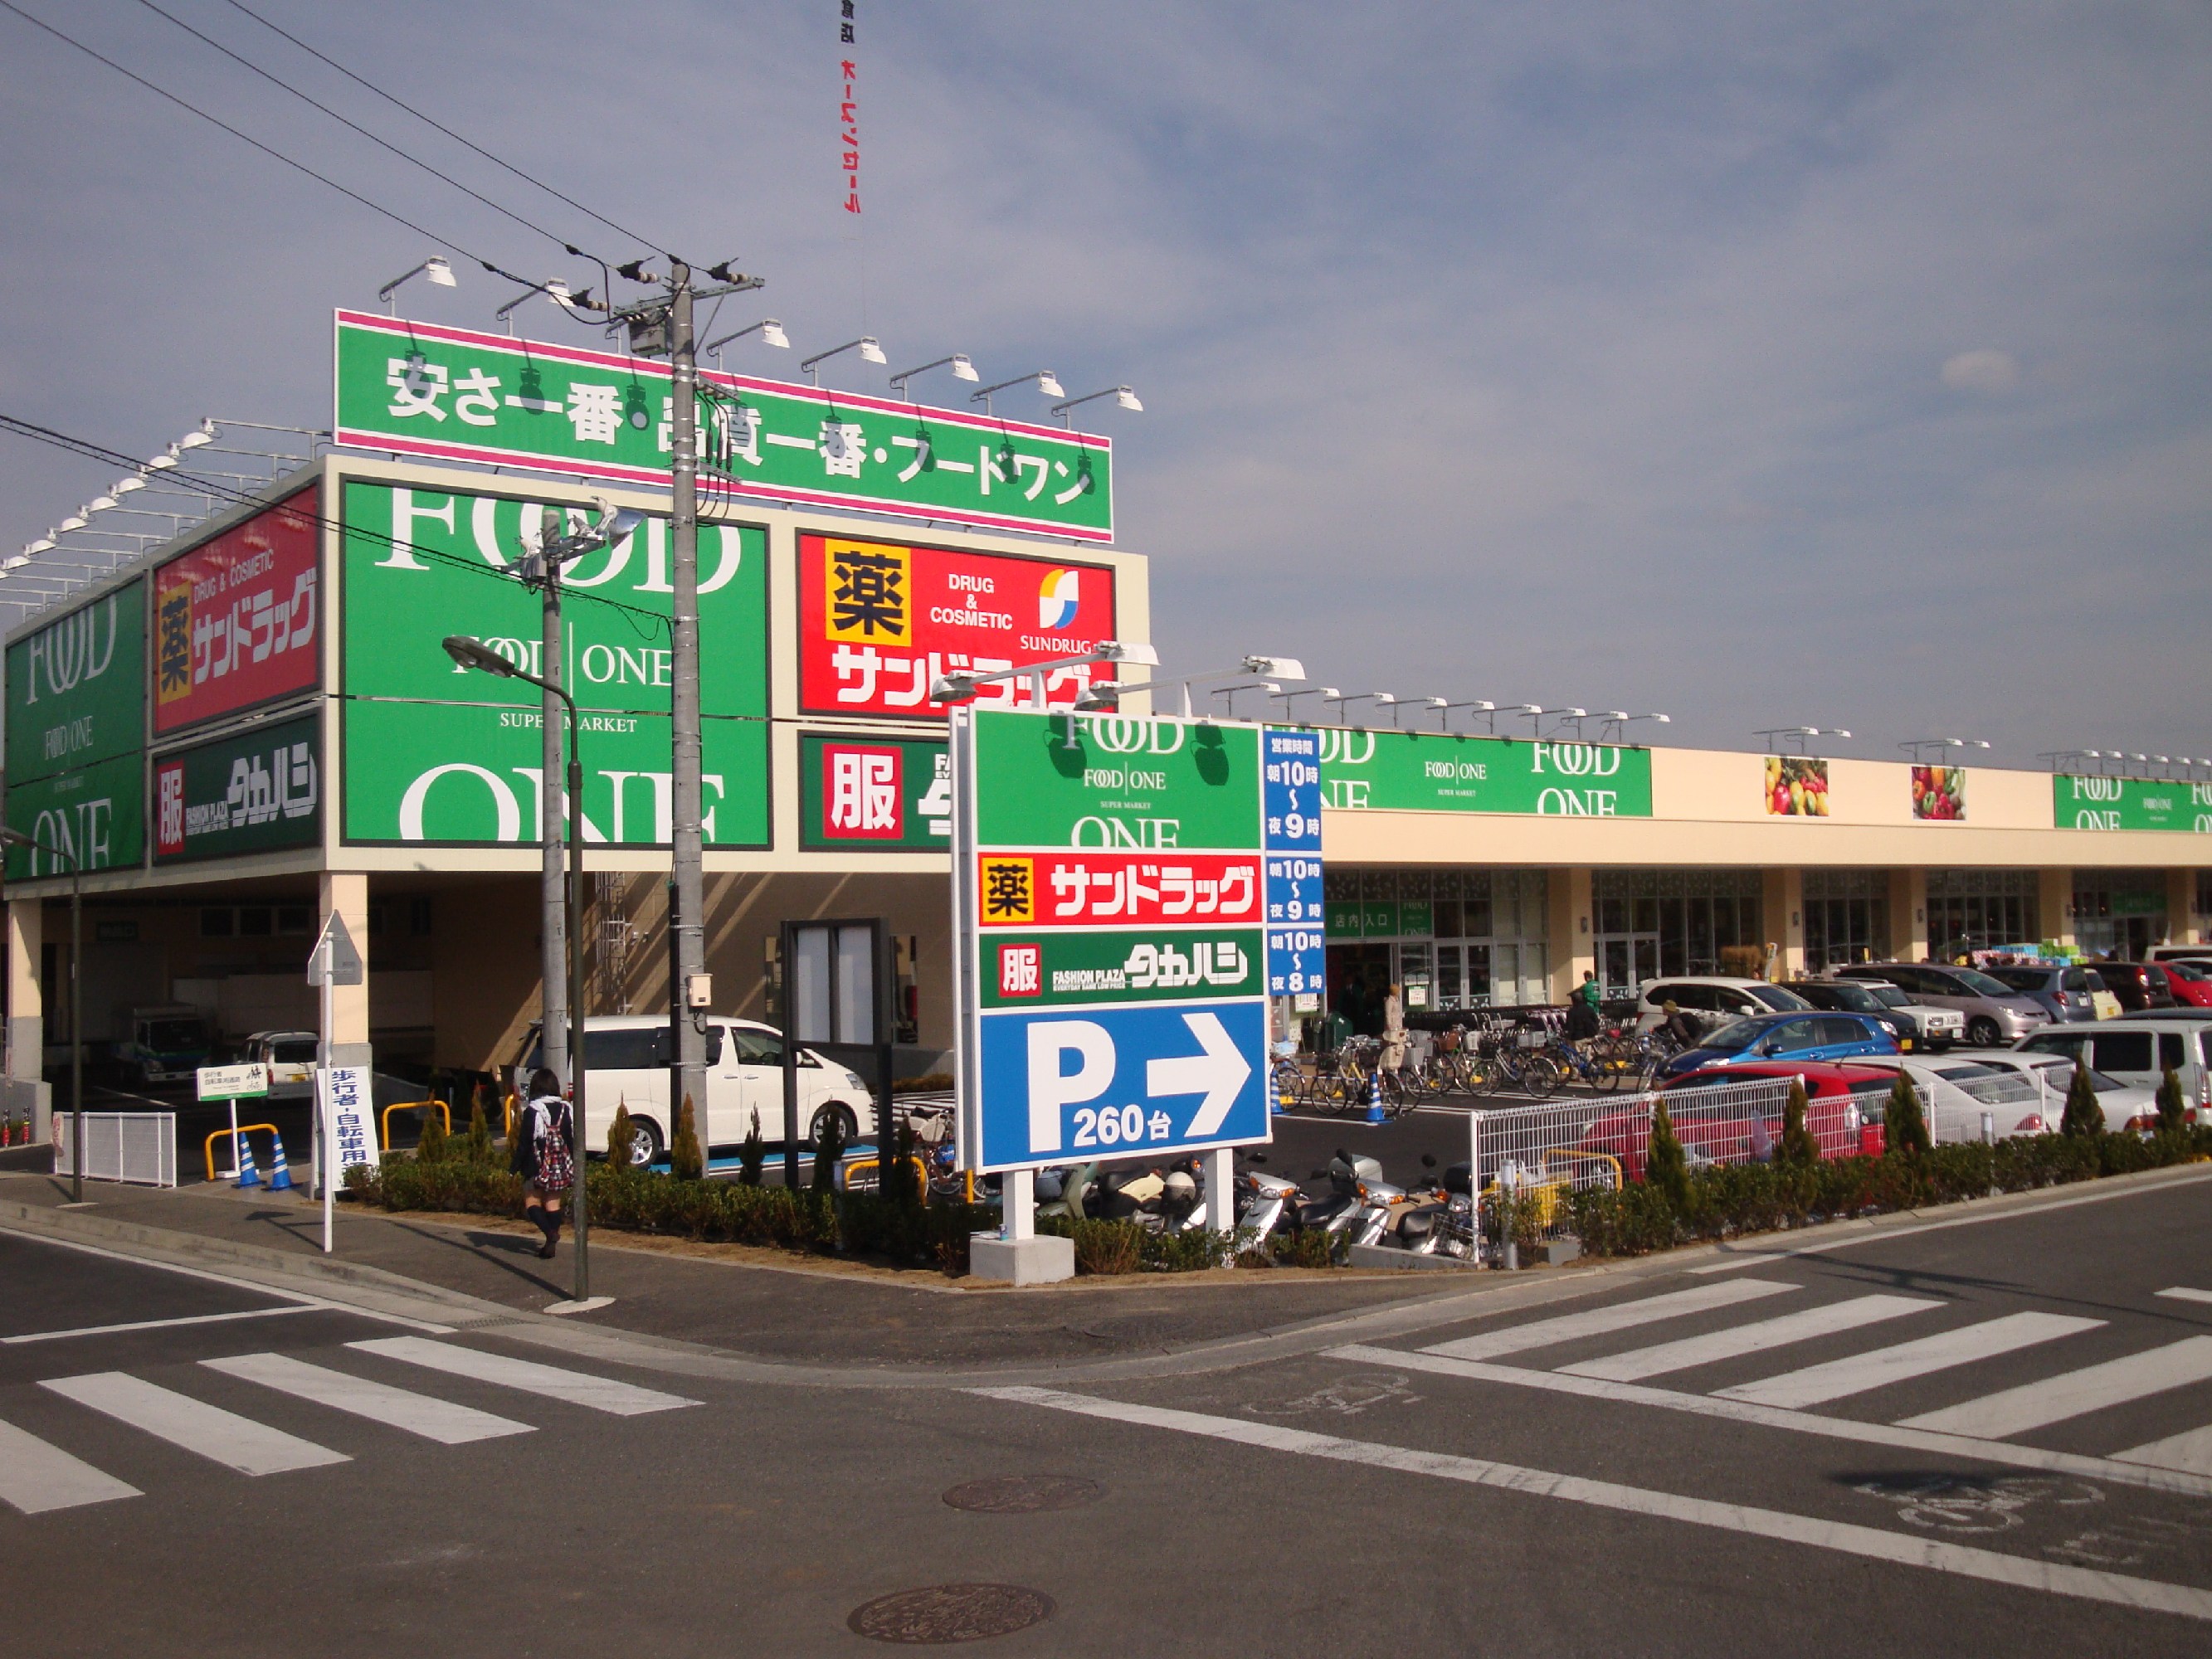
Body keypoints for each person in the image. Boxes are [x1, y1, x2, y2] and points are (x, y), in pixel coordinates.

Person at [516, 1067, 575, 1260]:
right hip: (559, 1164)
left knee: (532, 1201)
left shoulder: (533, 1111)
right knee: (553, 1202)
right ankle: (551, 1243)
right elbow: (570, 1138)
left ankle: (550, 1233)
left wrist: (514, 1166)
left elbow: (525, 1142)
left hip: (537, 1163)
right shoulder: (566, 1109)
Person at [1566, 971, 1602, 1040]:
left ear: (1586, 977)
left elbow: (1579, 991)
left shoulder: (1586, 986)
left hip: (1588, 1006)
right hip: (1596, 1007)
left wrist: (1570, 994)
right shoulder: (1596, 984)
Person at [1381, 983, 1407, 1076]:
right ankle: (1390, 1070)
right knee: (1392, 1048)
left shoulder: (1397, 1000)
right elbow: (1388, 1014)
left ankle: (1396, 1068)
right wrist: (1390, 1026)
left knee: (1399, 1047)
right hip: (1392, 1029)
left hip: (1398, 1027)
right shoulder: (1389, 1001)